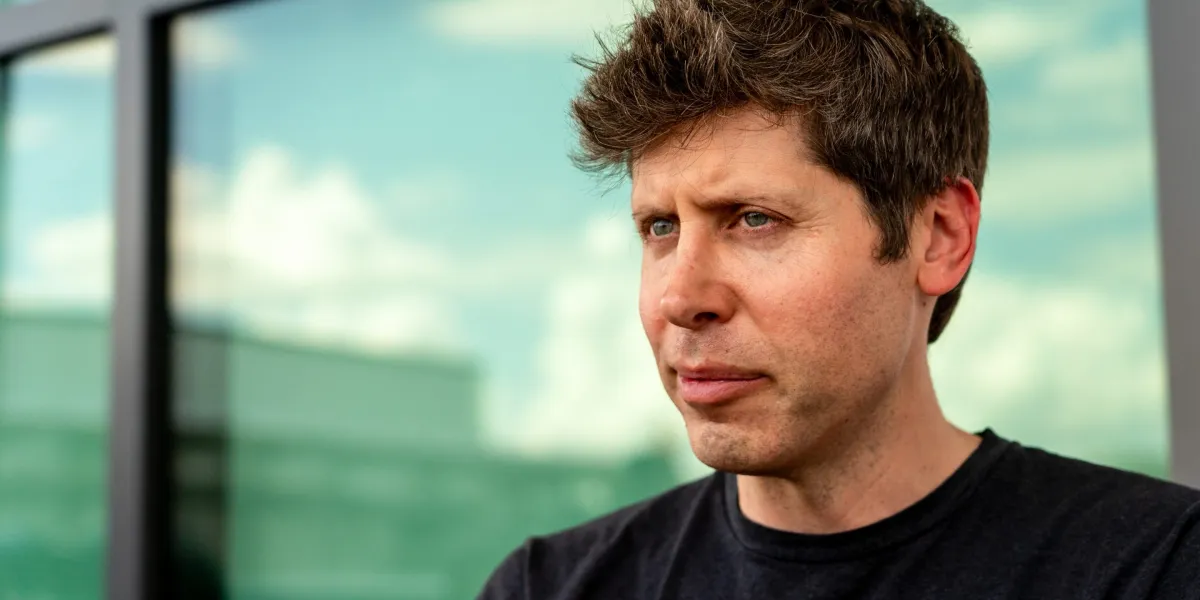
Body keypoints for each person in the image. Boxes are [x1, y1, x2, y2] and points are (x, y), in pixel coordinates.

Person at [478, 0, 1200, 598]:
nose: (681, 297)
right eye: (660, 227)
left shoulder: (1156, 568)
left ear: (938, 237)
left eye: (753, 219)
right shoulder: (550, 586)